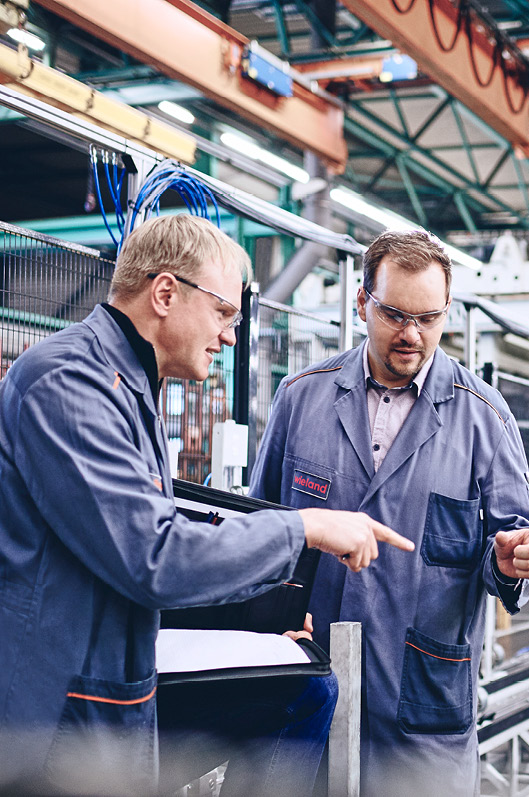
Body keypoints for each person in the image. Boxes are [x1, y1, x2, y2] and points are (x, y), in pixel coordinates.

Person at [0, 214, 412, 795]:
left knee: (302, 690)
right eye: (223, 313)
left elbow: (119, 550)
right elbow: (154, 557)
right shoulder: (68, 382)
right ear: (166, 293)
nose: (230, 337)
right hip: (51, 726)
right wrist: (302, 529)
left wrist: (258, 629)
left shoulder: (126, 386)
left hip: (103, 695)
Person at [250, 230, 529, 794]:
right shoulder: (301, 398)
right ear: (362, 303)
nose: (412, 335)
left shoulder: (484, 417)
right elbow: (257, 533)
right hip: (304, 686)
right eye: (395, 315)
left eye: (430, 319)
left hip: (421, 699)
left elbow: (518, 537)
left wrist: (514, 561)